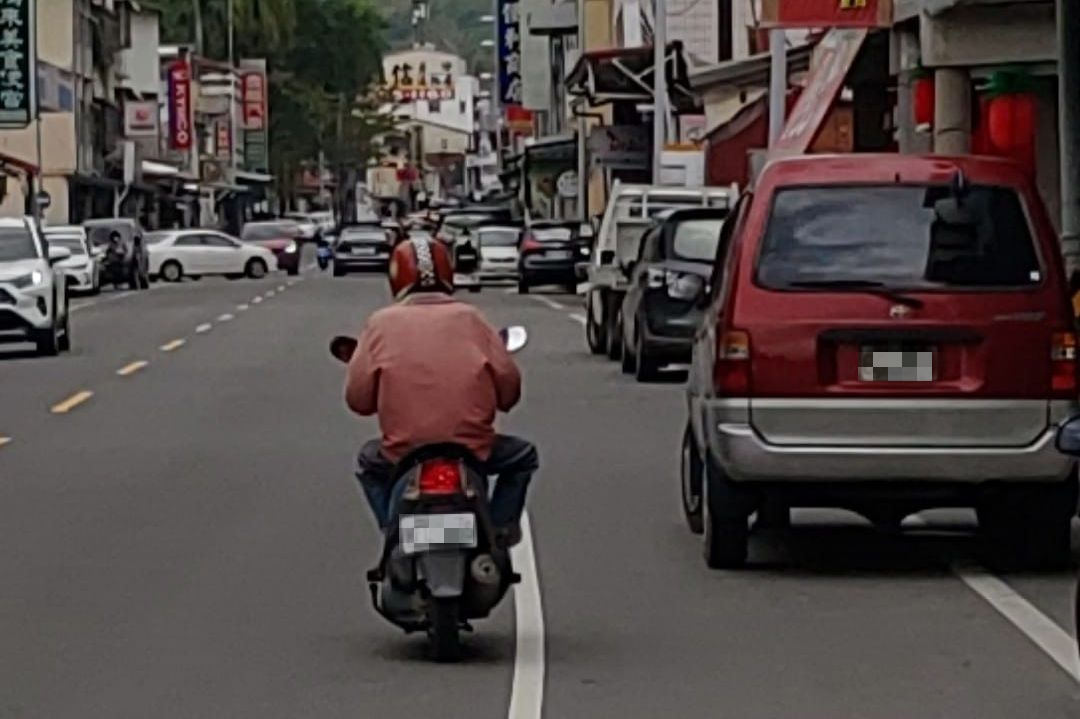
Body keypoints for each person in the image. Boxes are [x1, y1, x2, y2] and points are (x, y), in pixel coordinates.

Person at [345, 237, 539, 543]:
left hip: (402, 451)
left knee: (368, 462)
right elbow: (509, 389)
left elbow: (358, 400)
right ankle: (500, 528)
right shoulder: (472, 319)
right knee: (523, 456)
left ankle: (393, 533)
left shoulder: (380, 324)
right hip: (473, 449)